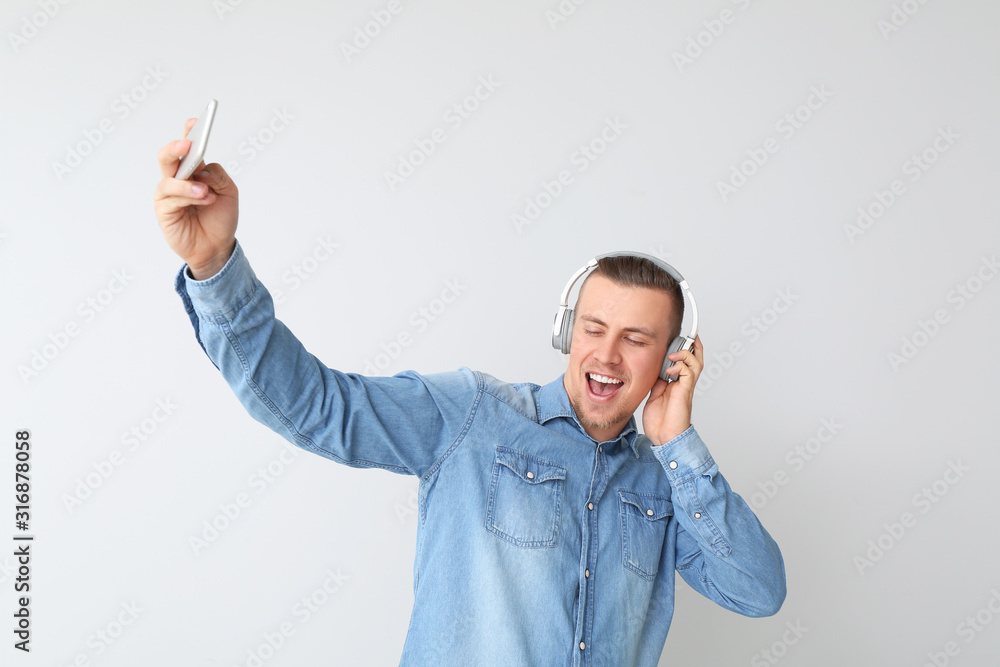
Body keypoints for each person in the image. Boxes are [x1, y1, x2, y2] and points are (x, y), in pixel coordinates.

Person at [154, 119, 786, 667]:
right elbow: (316, 407)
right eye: (593, 328)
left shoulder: (665, 489)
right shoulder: (470, 415)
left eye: (636, 339)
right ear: (568, 330)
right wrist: (215, 266)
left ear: (671, 361)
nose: (608, 354)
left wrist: (678, 444)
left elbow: (758, 591)